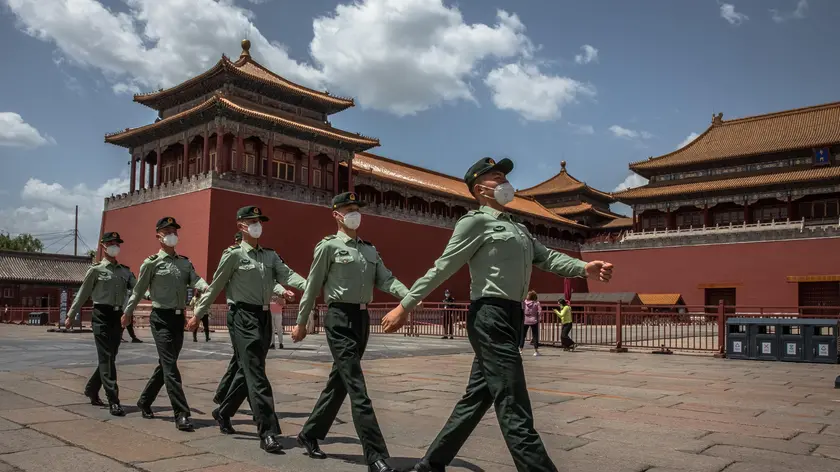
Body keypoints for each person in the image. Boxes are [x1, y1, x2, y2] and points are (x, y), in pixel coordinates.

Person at [381, 157, 614, 472]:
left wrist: (584, 266)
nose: (506, 181)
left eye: (506, 176)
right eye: (497, 176)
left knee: (477, 398)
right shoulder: (474, 222)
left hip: (513, 317)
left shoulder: (518, 226)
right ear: (481, 189)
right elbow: (442, 268)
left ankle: (430, 464)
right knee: (514, 404)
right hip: (489, 316)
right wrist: (404, 305)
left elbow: (546, 258)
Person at [291, 191, 410, 472]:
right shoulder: (328, 247)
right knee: (357, 385)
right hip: (339, 318)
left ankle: (309, 434)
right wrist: (301, 320)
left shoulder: (369, 250)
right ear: (336, 215)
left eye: (357, 208)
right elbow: (311, 286)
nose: (354, 213)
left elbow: (387, 279)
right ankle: (376, 455)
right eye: (348, 208)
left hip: (361, 318)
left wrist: (408, 299)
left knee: (341, 382)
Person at [192, 205, 306, 454]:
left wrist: (309, 285)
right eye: (253, 221)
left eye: (260, 221)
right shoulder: (233, 255)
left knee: (248, 371)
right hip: (242, 317)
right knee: (257, 375)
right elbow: (215, 286)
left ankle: (223, 412)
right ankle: (268, 431)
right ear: (241, 225)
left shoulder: (269, 255)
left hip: (263, 317)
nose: (257, 225)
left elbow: (286, 275)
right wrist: (199, 314)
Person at [123, 217, 208, 432]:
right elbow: (139, 289)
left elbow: (195, 279)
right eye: (168, 230)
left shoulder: (184, 262)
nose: (172, 234)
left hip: (178, 318)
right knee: (170, 367)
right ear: (158, 235)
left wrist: (205, 286)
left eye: (174, 231)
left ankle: (144, 401)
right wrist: (128, 311)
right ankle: (182, 413)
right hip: (160, 318)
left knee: (165, 366)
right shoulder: (151, 263)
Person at [65, 231, 136, 416]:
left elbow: (138, 289)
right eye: (111, 243)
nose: (115, 246)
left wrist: (156, 297)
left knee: (110, 357)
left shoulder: (125, 271)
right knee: (106, 357)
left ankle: (91, 389)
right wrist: (71, 314)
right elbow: (82, 293)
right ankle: (114, 400)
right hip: (101, 315)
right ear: (103, 246)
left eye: (117, 243)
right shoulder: (95, 270)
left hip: (117, 316)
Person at [521, 290, 541, 356]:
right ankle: (536, 351)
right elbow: (539, 312)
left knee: (523, 335)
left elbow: (521, 310)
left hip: (525, 320)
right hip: (534, 321)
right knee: (535, 336)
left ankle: (521, 350)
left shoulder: (524, 303)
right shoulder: (537, 303)